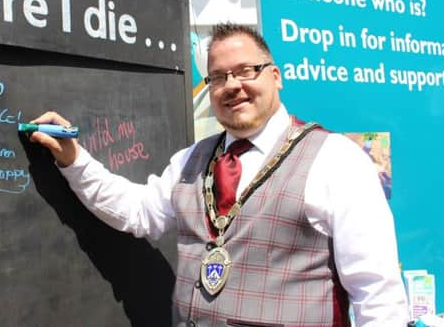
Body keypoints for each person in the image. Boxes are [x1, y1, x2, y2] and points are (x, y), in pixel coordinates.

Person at [29, 23, 409, 327]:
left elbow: (377, 292)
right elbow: (137, 211)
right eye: (217, 77)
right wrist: (75, 159)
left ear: (275, 76)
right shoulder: (190, 160)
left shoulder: (336, 159)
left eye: (246, 70)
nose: (232, 86)